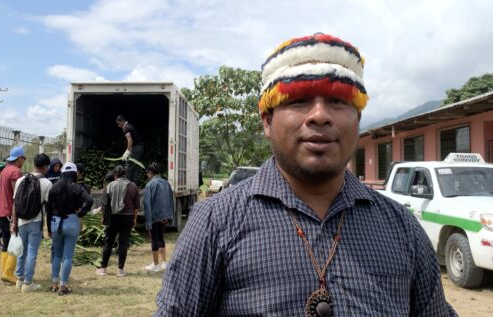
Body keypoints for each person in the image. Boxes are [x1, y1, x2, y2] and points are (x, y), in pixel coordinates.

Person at [155, 33, 457, 316]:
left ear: (358, 118)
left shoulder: (400, 226)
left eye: (338, 101)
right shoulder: (215, 221)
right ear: (267, 122)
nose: (320, 115)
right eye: (299, 101)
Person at [47, 162, 93, 295]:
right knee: (67, 257)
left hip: (55, 222)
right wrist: (80, 213)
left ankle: (54, 284)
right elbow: (89, 201)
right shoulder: (77, 187)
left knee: (56, 255)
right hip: (71, 221)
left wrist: (49, 228)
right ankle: (63, 285)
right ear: (74, 173)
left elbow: (49, 209)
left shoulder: (54, 188)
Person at [11, 154, 52, 292]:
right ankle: (28, 283)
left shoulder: (20, 180)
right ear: (45, 166)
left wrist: (14, 222)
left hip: (21, 221)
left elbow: (15, 204)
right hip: (36, 221)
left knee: (22, 251)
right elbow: (48, 206)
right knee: (32, 252)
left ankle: (19, 279)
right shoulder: (47, 183)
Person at [96, 165, 139, 277]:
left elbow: (105, 205)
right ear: (125, 174)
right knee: (123, 243)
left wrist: (104, 218)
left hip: (113, 218)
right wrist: (134, 219)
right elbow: (136, 206)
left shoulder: (110, 186)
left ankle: (103, 269)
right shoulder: (133, 186)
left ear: (115, 175)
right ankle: (120, 270)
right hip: (128, 217)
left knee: (109, 242)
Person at [0, 146, 25, 285]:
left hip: (1, 211)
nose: (24, 162)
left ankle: (5, 273)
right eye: (24, 159)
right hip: (10, 212)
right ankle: (8, 273)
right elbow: (17, 194)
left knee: (6, 243)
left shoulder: (4, 170)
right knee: (14, 242)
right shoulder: (16, 171)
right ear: (19, 159)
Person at [143, 162, 174, 272]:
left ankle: (155, 264)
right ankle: (164, 262)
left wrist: (148, 221)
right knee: (161, 237)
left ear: (150, 173)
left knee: (154, 239)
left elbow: (147, 204)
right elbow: (171, 199)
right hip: (164, 216)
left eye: (147, 173)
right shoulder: (166, 183)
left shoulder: (150, 184)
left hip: (154, 216)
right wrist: (170, 215)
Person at [115, 115, 144, 183]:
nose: (118, 126)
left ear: (122, 121)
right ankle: (135, 183)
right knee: (135, 165)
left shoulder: (126, 128)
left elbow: (130, 140)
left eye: (118, 123)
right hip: (140, 148)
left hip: (136, 148)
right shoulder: (130, 126)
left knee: (128, 164)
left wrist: (127, 152)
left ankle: (125, 182)